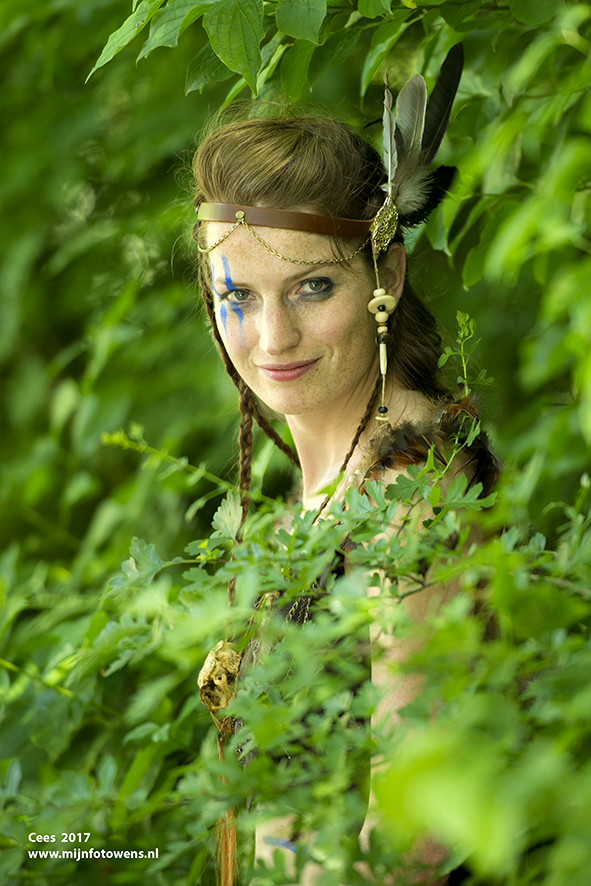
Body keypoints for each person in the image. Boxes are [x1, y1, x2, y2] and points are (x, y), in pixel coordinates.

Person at [194, 44, 497, 886]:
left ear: (385, 271)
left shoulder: (411, 483)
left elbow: (415, 835)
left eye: (312, 288)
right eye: (237, 297)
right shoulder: (320, 488)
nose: (273, 338)